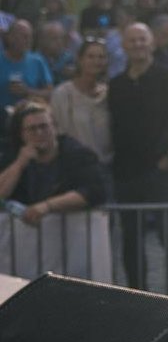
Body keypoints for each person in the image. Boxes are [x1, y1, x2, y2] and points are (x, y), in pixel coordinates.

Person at [108, 21, 168, 295]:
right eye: (132, 40)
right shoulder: (116, 85)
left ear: (152, 43)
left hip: (163, 173)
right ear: (123, 45)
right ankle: (137, 298)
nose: (138, 45)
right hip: (126, 174)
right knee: (131, 241)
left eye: (142, 39)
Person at [0, 101, 108, 224]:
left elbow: (95, 191)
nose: (39, 133)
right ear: (22, 135)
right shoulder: (14, 156)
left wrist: (47, 206)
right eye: (32, 129)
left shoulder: (77, 153)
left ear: (55, 128)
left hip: (72, 234)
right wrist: (19, 165)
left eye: (44, 126)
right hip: (26, 238)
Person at [49, 37, 113, 165]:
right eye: (91, 56)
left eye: (101, 57)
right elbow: (57, 133)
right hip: (74, 166)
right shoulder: (63, 94)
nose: (96, 61)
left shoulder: (110, 94)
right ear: (80, 59)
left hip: (106, 165)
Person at [0, 20, 53, 110]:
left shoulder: (37, 61)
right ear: (10, 37)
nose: (28, 41)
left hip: (28, 116)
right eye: (24, 36)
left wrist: (27, 91)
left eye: (30, 37)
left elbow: (50, 93)